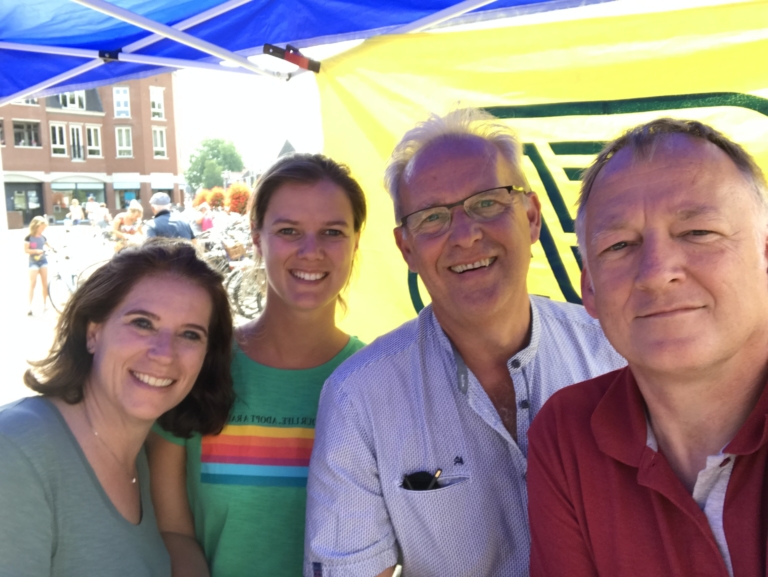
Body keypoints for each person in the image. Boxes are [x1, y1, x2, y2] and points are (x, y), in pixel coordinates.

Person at [304, 109, 625, 577]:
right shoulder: (360, 397)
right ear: (407, 249)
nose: (465, 234)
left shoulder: (616, 354)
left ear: (532, 217)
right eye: (432, 217)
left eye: (488, 203)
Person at [527, 119, 768, 577]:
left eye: (698, 232)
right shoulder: (568, 433)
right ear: (590, 292)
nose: (656, 272)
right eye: (620, 245)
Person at [148, 153, 368, 577]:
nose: (311, 251)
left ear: (356, 241)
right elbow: (172, 531)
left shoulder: (378, 379)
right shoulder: (198, 364)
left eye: (332, 232)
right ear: (256, 236)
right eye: (288, 231)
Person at [0, 239, 235, 576]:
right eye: (142, 323)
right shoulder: (15, 453)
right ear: (93, 332)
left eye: (190, 335)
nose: (164, 353)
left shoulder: (142, 457)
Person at [24, 215, 54, 315]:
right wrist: (37, 251)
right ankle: (29, 306)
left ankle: (45, 304)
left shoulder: (43, 237)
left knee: (44, 283)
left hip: (43, 261)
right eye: (42, 228)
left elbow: (49, 245)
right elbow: (26, 250)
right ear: (36, 226)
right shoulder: (29, 238)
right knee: (32, 283)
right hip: (33, 262)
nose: (43, 230)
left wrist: (53, 249)